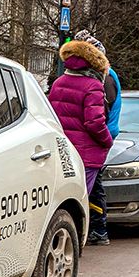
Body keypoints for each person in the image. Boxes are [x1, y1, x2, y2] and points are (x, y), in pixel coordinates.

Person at [48, 37, 114, 246]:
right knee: (82, 198)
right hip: (86, 153)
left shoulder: (59, 82)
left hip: (64, 150)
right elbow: (95, 122)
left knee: (62, 198)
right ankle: (73, 242)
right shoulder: (93, 86)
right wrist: (107, 141)